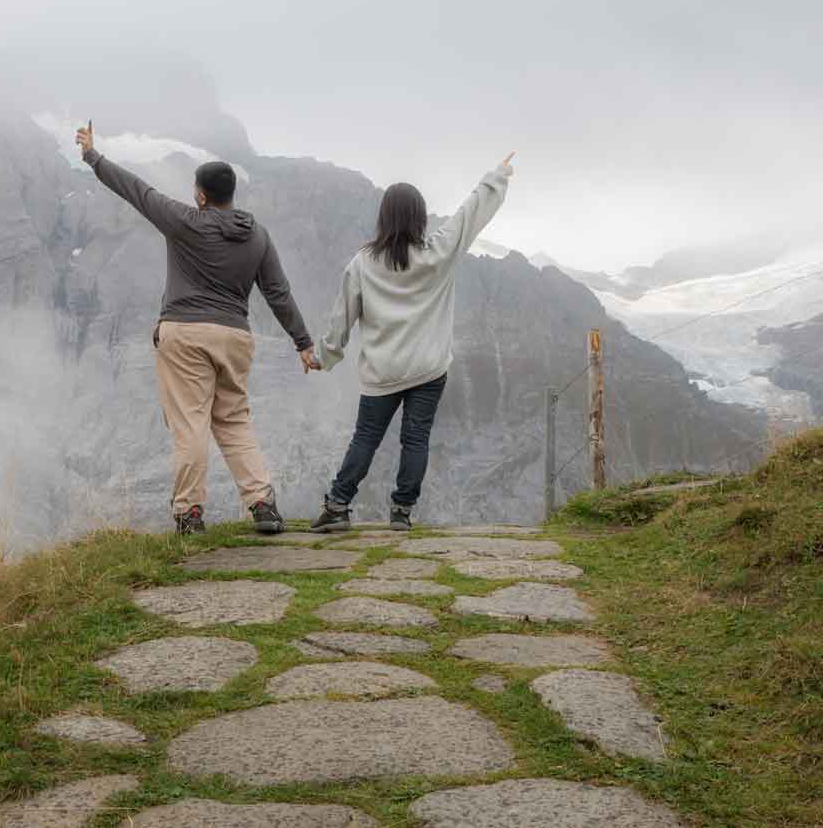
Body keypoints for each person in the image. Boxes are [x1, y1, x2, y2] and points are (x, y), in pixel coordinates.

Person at [76, 121, 319, 535]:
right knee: (234, 420)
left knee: (191, 423)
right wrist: (303, 342)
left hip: (185, 334)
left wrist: (92, 156)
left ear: (201, 194)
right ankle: (261, 503)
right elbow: (278, 292)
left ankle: (189, 512)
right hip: (235, 337)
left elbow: (136, 190)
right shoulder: (257, 236)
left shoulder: (184, 221)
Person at [311, 154, 514, 531]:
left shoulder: (362, 263)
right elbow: (469, 215)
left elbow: (341, 319)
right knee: (415, 439)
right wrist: (497, 176)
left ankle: (338, 505)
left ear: (384, 217)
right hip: (428, 368)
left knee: (366, 438)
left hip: (381, 372)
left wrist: (323, 357)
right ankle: (402, 513)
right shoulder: (438, 254)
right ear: (421, 217)